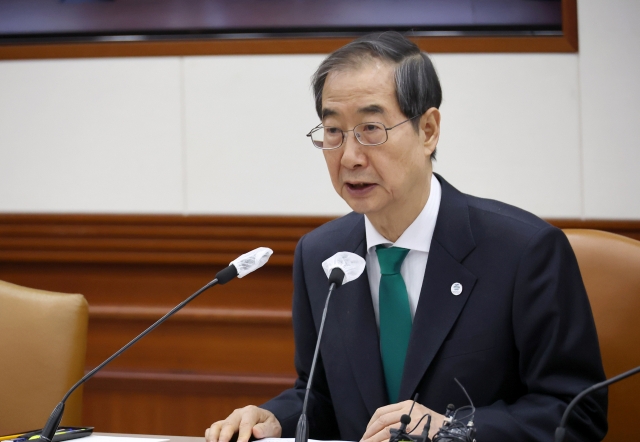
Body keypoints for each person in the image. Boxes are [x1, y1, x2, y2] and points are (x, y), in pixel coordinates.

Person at [205, 32, 607, 442]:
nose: (349, 157)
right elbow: (322, 397)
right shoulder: (322, 255)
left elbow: (576, 412)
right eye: (333, 131)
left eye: (371, 128)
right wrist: (275, 419)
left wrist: (452, 430)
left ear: (428, 129)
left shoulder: (524, 251)